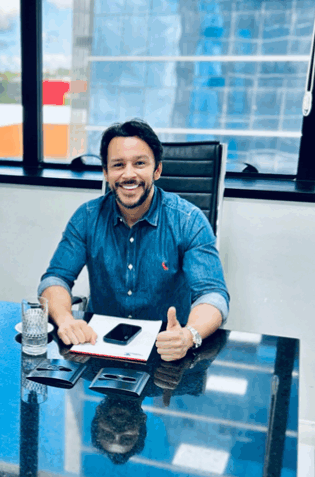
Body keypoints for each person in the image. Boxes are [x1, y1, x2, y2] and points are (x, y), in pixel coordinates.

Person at [38, 119, 229, 361]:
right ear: (106, 173)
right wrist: (66, 320)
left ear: (157, 170)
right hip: (99, 348)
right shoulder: (86, 217)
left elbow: (212, 294)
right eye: (118, 165)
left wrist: (189, 335)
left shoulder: (189, 221)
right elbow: (55, 279)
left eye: (139, 163)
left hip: (167, 350)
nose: (129, 174)